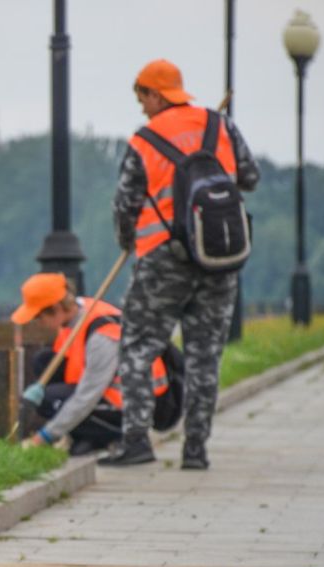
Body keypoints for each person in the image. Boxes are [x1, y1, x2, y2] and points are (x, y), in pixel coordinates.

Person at [100, 59, 260, 470]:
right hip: (218, 256)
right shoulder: (218, 126)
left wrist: (128, 241)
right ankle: (195, 449)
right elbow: (250, 176)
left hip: (162, 260)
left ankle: (136, 440)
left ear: (156, 94)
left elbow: (125, 206)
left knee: (137, 347)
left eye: (142, 98)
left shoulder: (145, 139)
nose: (141, 108)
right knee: (205, 356)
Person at [14, 273, 175, 456]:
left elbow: (87, 396)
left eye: (38, 317)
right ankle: (88, 437)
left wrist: (43, 437)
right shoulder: (76, 313)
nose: (39, 324)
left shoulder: (101, 336)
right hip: (106, 392)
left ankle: (119, 435)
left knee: (49, 400)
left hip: (134, 405)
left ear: (56, 308)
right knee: (44, 362)